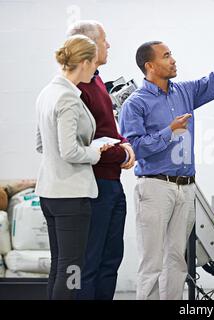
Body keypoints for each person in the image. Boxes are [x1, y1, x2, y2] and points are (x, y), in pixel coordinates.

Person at [119, 26, 214, 300]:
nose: (173, 59)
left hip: (186, 188)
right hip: (155, 188)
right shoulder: (135, 104)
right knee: (152, 263)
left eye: (172, 54)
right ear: (150, 65)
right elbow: (135, 149)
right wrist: (169, 131)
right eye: (166, 55)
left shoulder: (185, 92)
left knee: (176, 261)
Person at [35, 35, 111, 300]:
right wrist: (96, 151)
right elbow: (69, 151)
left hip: (49, 192)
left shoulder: (47, 92)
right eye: (94, 65)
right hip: (70, 195)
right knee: (72, 271)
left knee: (60, 268)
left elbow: (41, 144)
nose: (95, 71)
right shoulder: (68, 98)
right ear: (84, 62)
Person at [66, 20, 135, 300]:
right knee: (90, 263)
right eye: (104, 40)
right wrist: (123, 153)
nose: (108, 45)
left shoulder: (97, 81)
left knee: (111, 260)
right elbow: (83, 144)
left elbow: (107, 131)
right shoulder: (76, 89)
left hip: (112, 183)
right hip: (94, 187)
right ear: (90, 45)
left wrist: (125, 144)